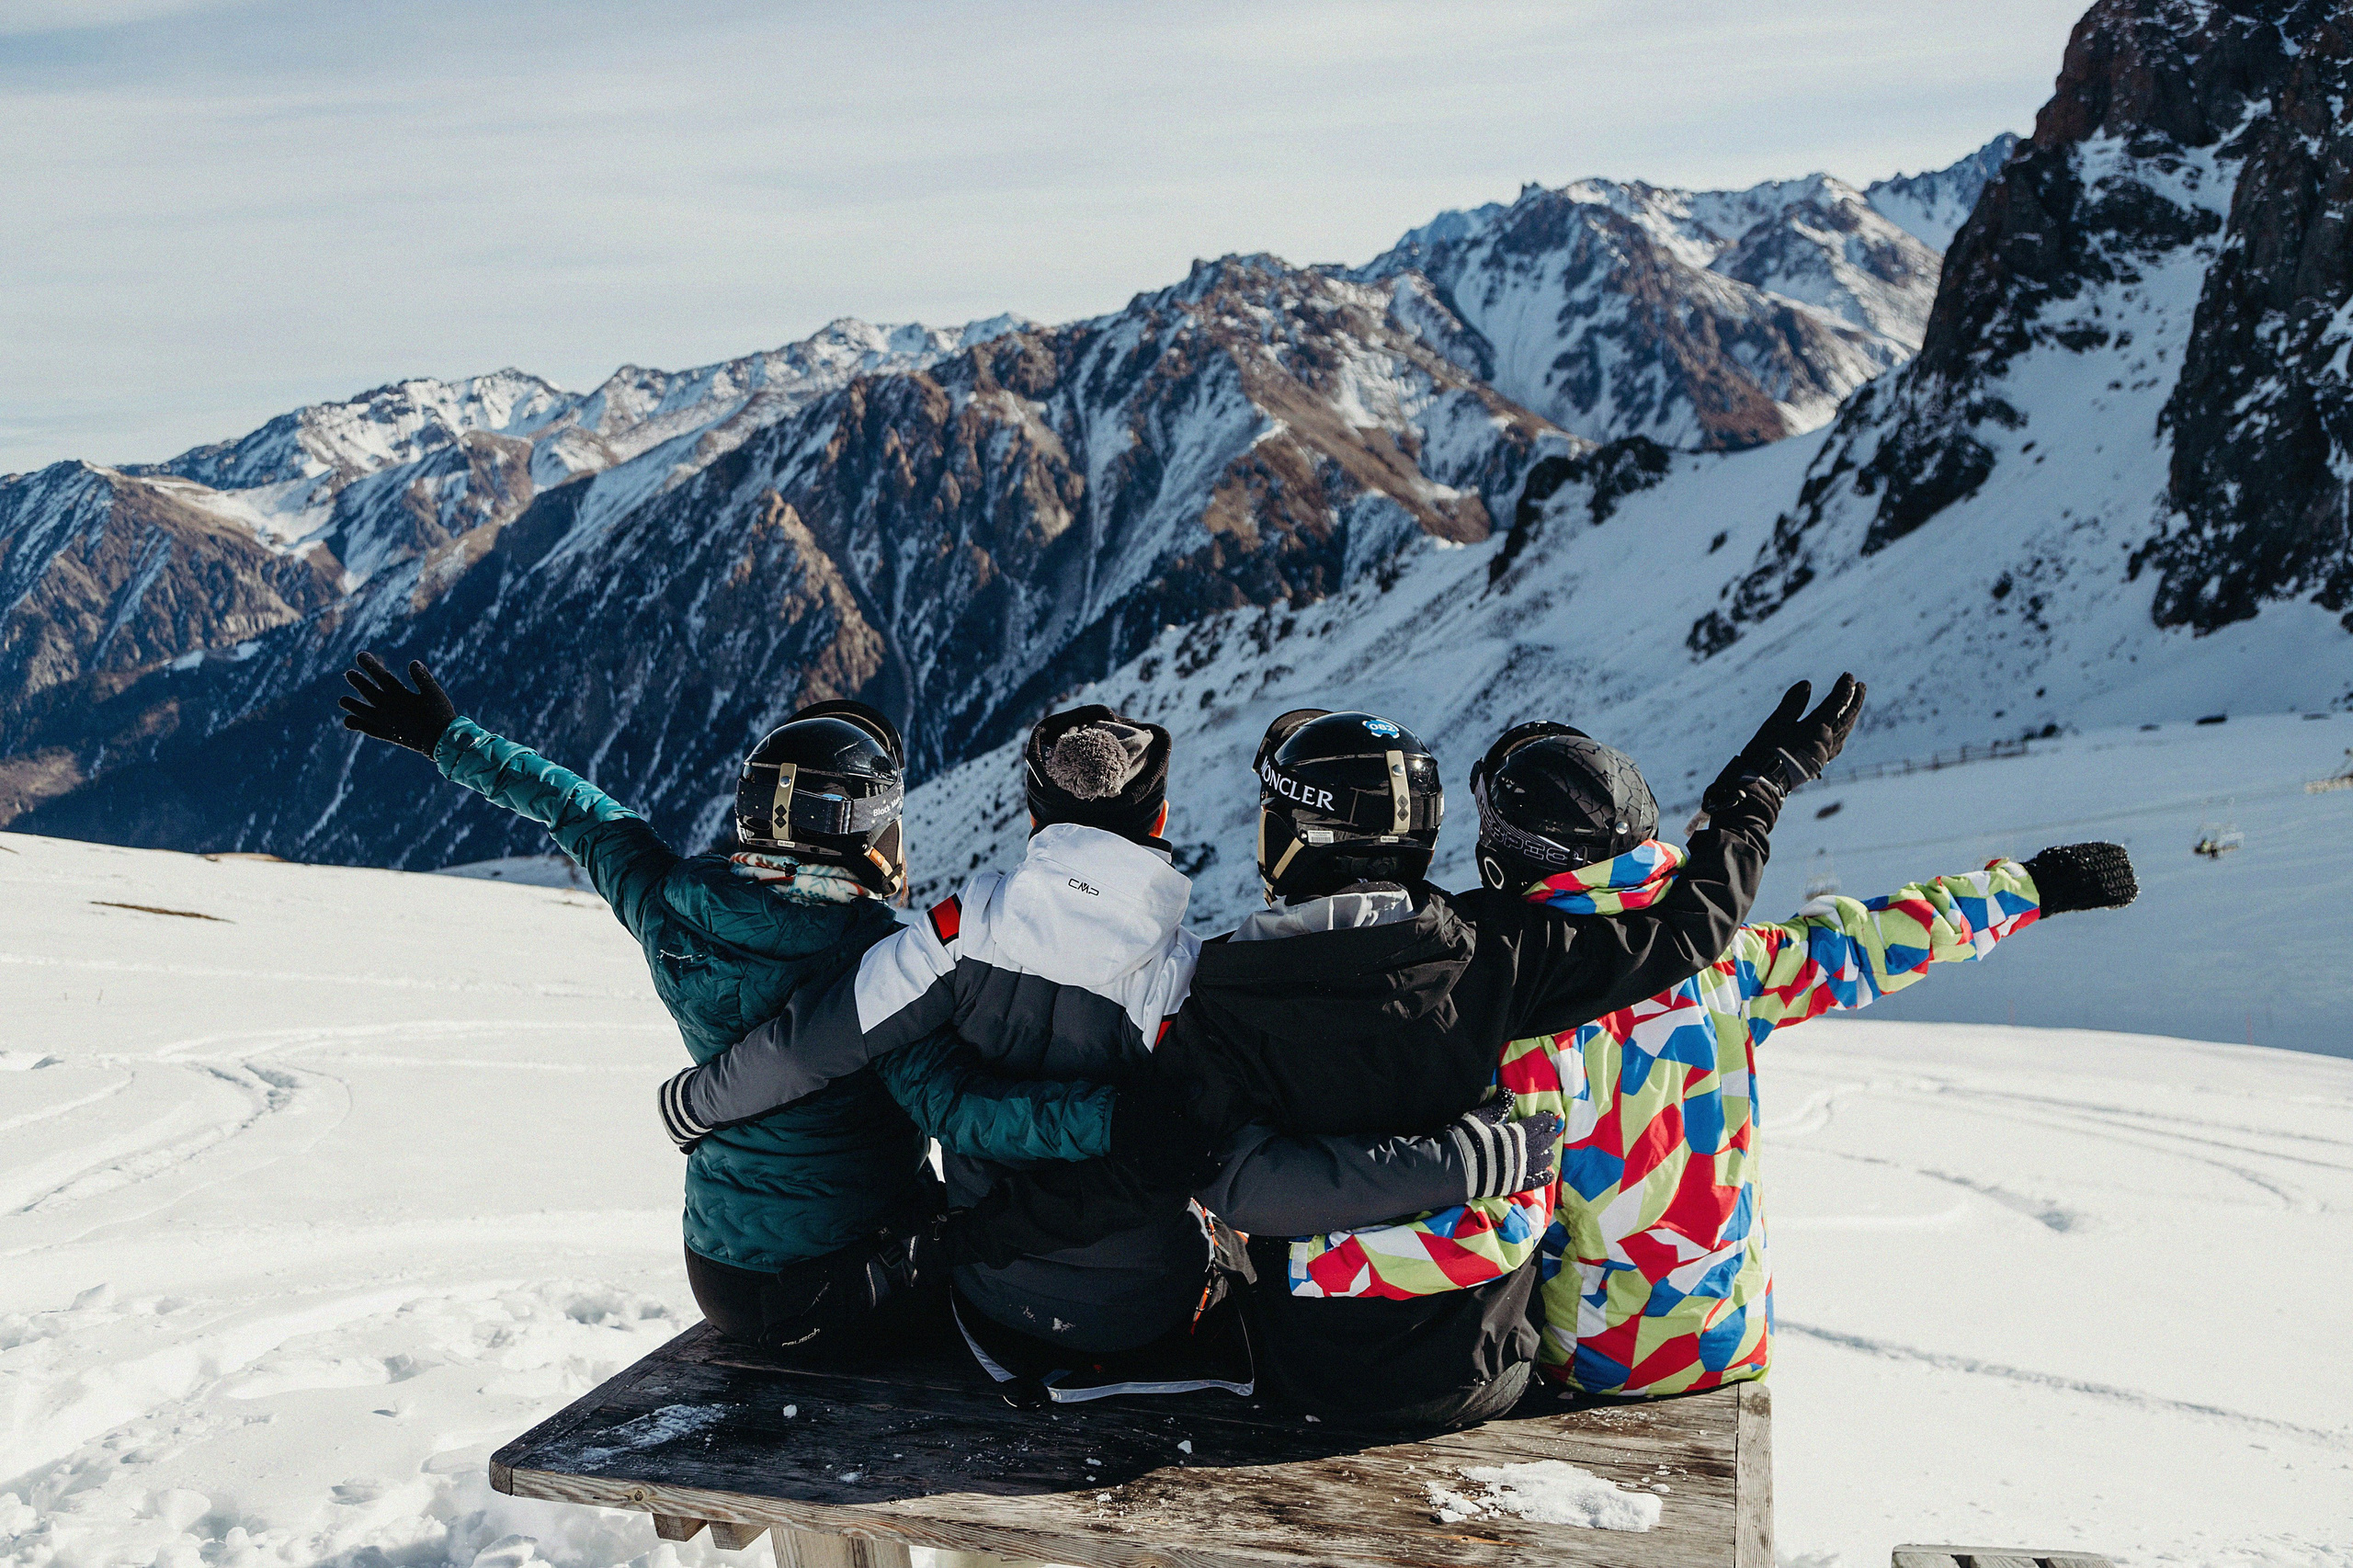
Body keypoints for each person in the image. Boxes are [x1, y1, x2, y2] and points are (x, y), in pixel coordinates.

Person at [958, 678, 1864, 1428]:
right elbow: (1690, 930)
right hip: (1484, 1370)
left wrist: (976, 1236)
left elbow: (1148, 1161)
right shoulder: (1495, 951)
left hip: (1307, 1374)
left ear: (1295, 841)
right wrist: (1755, 794)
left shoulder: (1228, 997)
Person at [663, 704, 1564, 1402]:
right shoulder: (1189, 980)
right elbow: (1239, 1172)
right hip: (1149, 1314)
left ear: (1034, 814)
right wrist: (1467, 1158)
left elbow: (808, 1046)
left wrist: (696, 1104)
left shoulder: (951, 933)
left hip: (987, 1310)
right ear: (1160, 814)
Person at [1279, 719, 2141, 1400]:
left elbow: (1502, 1228)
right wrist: (2035, 885)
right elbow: (1876, 941)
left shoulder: (1529, 1020)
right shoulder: (1727, 961)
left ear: (1506, 861)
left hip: (1598, 1364)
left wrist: (1306, 1258)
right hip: (1732, 1342)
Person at [333, 653, 1115, 1355]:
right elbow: (964, 1114)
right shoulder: (884, 964)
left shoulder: (671, 908)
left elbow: (577, 811)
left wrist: (446, 737)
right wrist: (1119, 1117)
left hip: (719, 1274)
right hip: (843, 1282)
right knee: (1006, 1297)